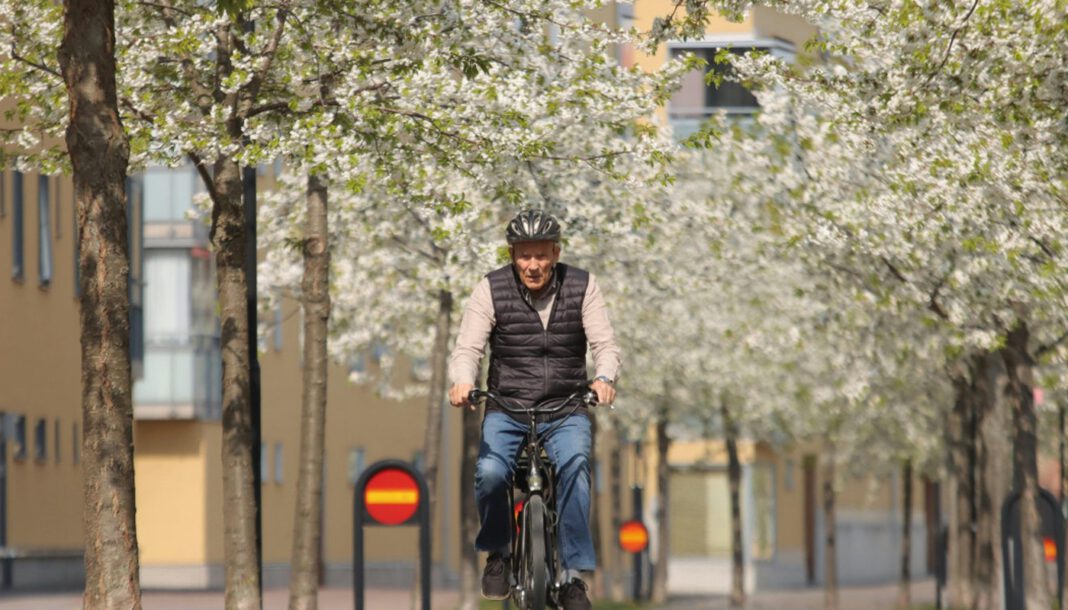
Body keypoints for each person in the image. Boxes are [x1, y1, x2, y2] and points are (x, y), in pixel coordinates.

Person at [448, 209, 621, 610]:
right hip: (507, 406)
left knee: (576, 465)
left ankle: (573, 576)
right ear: (512, 255)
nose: (533, 265)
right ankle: (498, 553)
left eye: (541, 255)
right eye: (524, 256)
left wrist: (605, 378)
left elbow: (605, 345)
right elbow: (469, 347)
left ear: (555, 253)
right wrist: (462, 380)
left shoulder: (583, 286)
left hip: (565, 407)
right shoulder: (490, 289)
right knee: (490, 473)